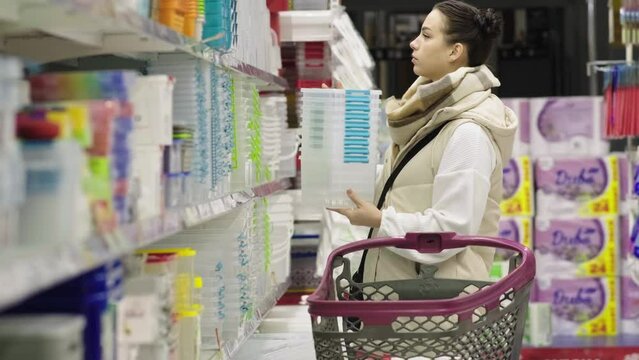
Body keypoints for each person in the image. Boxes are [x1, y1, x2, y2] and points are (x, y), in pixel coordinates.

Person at [328, 0, 518, 282]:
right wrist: (344, 123)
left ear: (455, 51)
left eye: (427, 36)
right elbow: (400, 187)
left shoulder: (468, 133)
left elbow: (450, 232)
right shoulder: (430, 119)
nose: (413, 44)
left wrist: (381, 221)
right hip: (408, 305)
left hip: (437, 311)